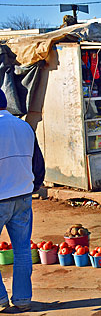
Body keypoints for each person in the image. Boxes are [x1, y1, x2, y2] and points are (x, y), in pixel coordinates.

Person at [0, 89, 45, 312]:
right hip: (23, 197)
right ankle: (23, 299)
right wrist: (33, 186)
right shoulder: (24, 126)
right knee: (22, 251)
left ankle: (0, 299)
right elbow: (39, 163)